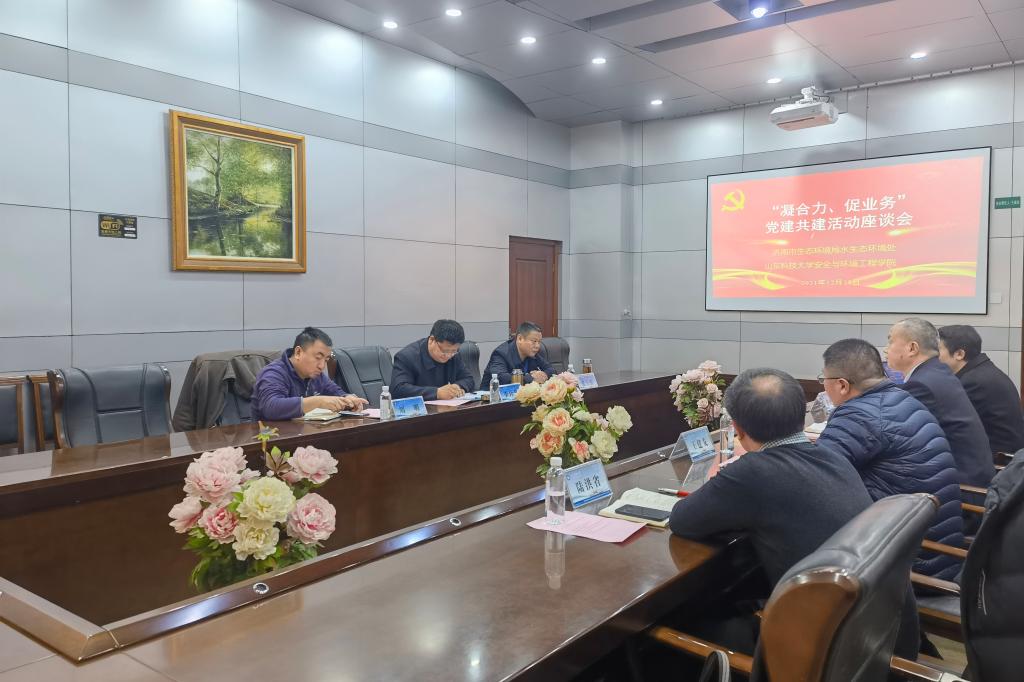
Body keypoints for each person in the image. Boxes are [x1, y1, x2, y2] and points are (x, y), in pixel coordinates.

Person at [668, 369, 908, 655]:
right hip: (875, 631)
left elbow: (682, 520)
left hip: (818, 651)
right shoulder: (833, 457)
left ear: (738, 430)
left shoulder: (752, 472)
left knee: (680, 619)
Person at [816, 339, 964, 582]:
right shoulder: (903, 399)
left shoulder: (858, 414)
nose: (823, 385)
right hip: (940, 550)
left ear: (842, 385)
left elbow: (814, 477)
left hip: (907, 563)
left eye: (823, 379)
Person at [886, 318, 995, 488]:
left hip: (961, 488)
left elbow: (893, 437)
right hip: (971, 476)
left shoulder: (921, 384)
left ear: (912, 348)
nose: (886, 349)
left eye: (891, 341)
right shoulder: (937, 371)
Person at [938, 324, 1024, 455]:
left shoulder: (973, 382)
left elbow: (947, 424)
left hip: (997, 460)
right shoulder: (982, 371)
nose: (934, 356)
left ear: (959, 354)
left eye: (938, 350)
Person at [251, 327, 368, 421]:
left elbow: (336, 392)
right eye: (318, 358)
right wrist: (318, 402)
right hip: (271, 438)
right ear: (298, 352)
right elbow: (271, 407)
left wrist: (348, 400)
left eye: (326, 360)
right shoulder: (273, 373)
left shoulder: (316, 376)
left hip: (304, 435)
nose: (322, 366)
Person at [391, 319, 476, 400]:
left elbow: (468, 379)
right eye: (444, 351)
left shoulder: (454, 355)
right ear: (432, 340)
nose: (448, 356)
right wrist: (437, 393)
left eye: (454, 351)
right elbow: (398, 389)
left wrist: (457, 387)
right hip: (420, 409)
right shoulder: (407, 357)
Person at [480, 321, 555, 389]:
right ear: (520, 338)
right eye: (534, 341)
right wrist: (531, 378)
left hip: (520, 396)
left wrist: (543, 375)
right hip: (491, 397)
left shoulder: (532, 353)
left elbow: (551, 370)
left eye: (539, 342)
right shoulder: (501, 353)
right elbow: (502, 379)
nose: (537, 346)